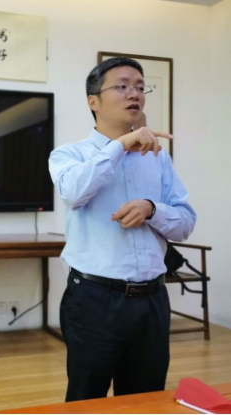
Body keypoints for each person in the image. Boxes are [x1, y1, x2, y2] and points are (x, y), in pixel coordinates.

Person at [48, 57, 196, 402]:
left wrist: (152, 209)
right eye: (123, 86)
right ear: (93, 101)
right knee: (87, 399)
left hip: (153, 300)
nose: (135, 94)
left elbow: (185, 223)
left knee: (146, 399)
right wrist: (121, 145)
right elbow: (73, 192)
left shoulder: (158, 158)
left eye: (141, 87)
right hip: (94, 300)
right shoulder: (69, 154)